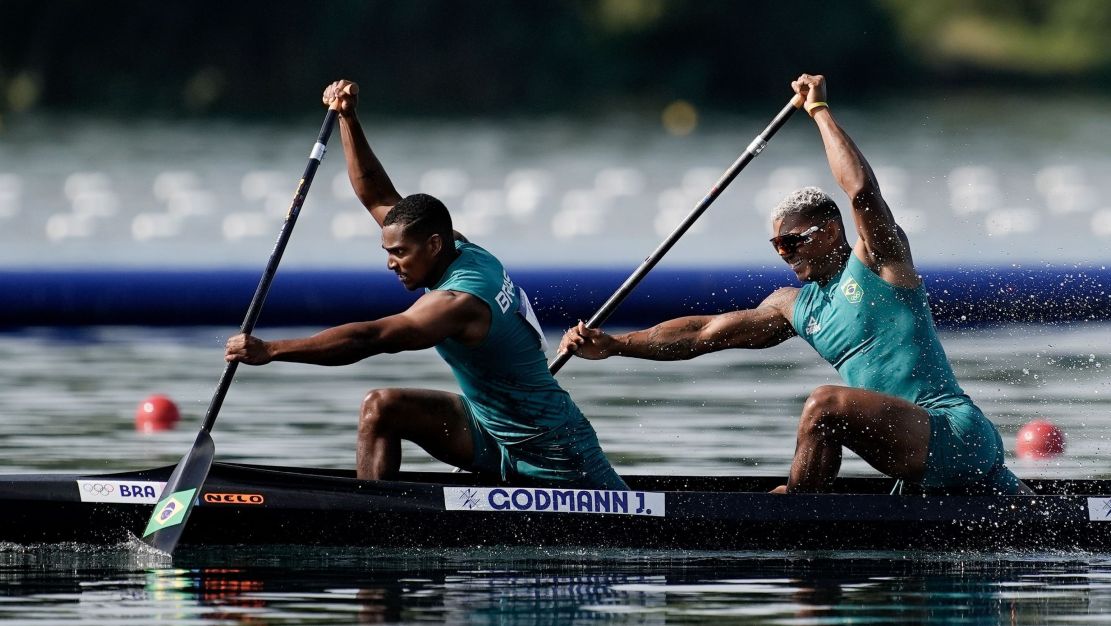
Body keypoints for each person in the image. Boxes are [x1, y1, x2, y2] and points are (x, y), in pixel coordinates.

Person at [559, 73, 1030, 495]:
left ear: (828, 232)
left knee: (824, 404)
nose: (785, 255)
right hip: (914, 457)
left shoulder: (881, 264)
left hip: (954, 433)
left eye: (792, 242)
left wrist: (819, 111)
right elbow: (701, 335)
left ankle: (797, 515)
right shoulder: (794, 306)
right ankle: (805, 512)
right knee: (826, 413)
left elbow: (862, 191)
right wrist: (617, 345)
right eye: (776, 246)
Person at [225, 79, 627, 491]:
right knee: (381, 408)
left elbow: (373, 337)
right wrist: (348, 118)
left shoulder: (459, 302)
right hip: (489, 430)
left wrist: (273, 350)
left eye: (399, 253)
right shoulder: (455, 247)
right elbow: (377, 194)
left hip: (555, 450)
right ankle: (373, 520)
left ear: (433, 245)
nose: (390, 263)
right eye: (389, 251)